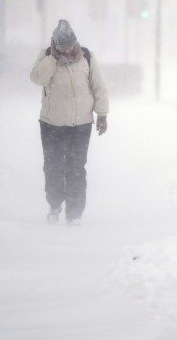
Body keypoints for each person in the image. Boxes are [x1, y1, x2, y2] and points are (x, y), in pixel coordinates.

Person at [29, 19, 109, 226]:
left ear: (76, 42)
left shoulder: (87, 57)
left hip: (80, 125)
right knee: (53, 168)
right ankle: (54, 205)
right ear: (55, 45)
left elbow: (99, 86)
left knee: (76, 168)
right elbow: (37, 79)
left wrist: (102, 114)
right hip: (51, 124)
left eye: (70, 46)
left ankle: (74, 214)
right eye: (62, 48)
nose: (68, 51)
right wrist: (53, 59)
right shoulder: (47, 57)